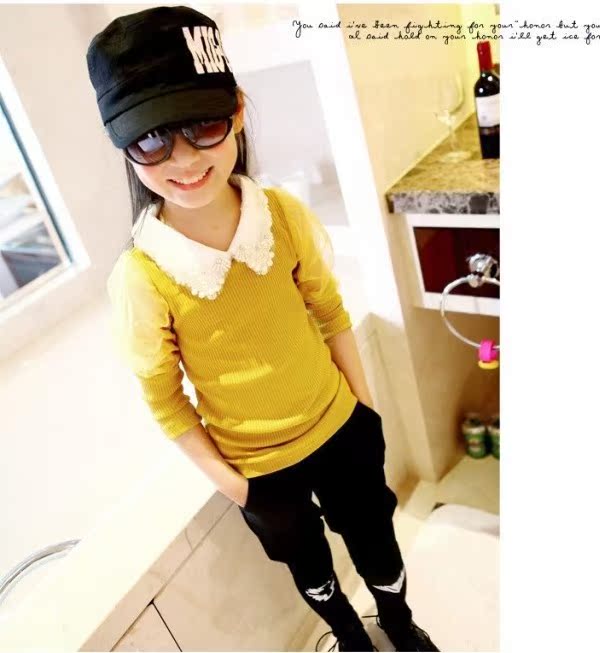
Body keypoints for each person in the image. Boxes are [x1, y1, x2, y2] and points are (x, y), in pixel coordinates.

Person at [86, 6, 438, 652]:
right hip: (258, 469)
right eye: (152, 139)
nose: (183, 159)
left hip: (339, 424)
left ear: (239, 110)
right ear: (123, 147)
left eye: (202, 124)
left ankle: (397, 622)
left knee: (377, 541)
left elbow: (329, 310)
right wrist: (240, 488)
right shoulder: (142, 276)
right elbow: (165, 401)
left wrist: (363, 410)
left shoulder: (279, 214)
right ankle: (350, 638)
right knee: (312, 571)